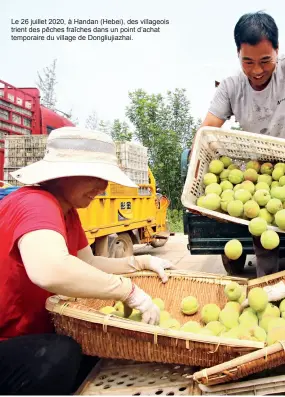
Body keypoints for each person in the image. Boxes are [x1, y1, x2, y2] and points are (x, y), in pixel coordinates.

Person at [0, 127, 175, 395]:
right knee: (60, 355)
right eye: (96, 177)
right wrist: (127, 291)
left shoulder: (67, 213)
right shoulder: (35, 203)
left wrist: (140, 264)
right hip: (9, 340)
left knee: (97, 355)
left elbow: (88, 264)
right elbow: (51, 270)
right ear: (63, 173)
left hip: (32, 335)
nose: (103, 187)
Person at [200, 11, 285, 278]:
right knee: (262, 235)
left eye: (265, 61)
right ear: (238, 54)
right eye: (247, 61)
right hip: (259, 171)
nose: (257, 70)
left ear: (277, 51)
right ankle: (266, 289)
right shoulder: (230, 87)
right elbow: (206, 130)